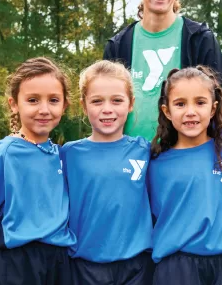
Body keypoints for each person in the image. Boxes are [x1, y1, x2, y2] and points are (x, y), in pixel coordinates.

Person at [0, 57, 76, 285]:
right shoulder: (6, 153)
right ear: (14, 104)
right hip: (17, 264)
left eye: (53, 100)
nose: (44, 109)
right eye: (32, 100)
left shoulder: (62, 155)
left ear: (64, 106)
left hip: (59, 263)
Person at [103, 0, 222, 140]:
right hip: (128, 157)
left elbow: (217, 106)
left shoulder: (199, 39)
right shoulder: (117, 46)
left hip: (181, 157)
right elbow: (105, 107)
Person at [148, 66, 222, 285]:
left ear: (213, 108)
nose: (190, 111)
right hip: (176, 268)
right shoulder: (155, 163)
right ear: (167, 111)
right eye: (180, 104)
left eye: (200, 102)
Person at [61, 60, 154, 285]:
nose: (107, 109)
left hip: (137, 268)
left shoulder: (145, 150)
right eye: (97, 101)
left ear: (131, 103)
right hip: (84, 267)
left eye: (117, 100)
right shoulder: (68, 154)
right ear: (84, 105)